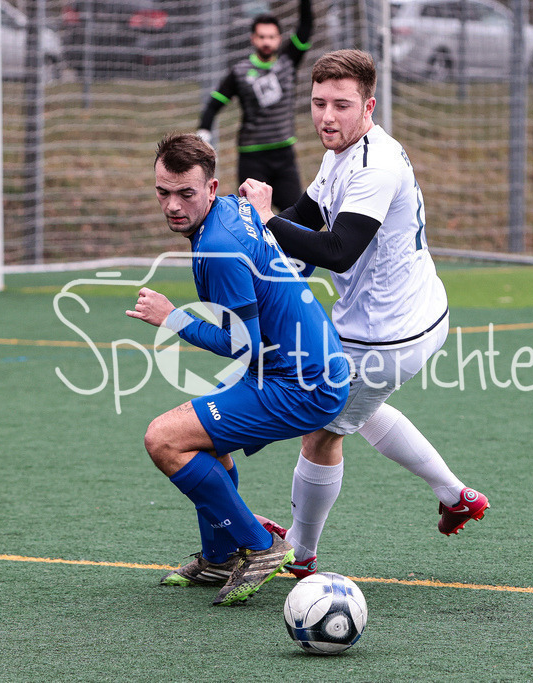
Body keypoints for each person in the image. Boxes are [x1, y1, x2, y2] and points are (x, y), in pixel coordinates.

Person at [239, 49, 489, 578]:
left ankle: (300, 558)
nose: (327, 117)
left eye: (342, 105)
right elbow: (307, 216)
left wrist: (264, 222)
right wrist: (261, 236)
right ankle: (457, 495)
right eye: (318, 103)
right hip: (410, 314)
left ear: (368, 106)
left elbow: (337, 250)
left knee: (322, 432)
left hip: (385, 336)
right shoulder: (343, 150)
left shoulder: (377, 166)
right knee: (358, 409)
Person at [127, 133, 349, 606]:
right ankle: (221, 556)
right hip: (300, 368)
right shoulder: (235, 211)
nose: (172, 205)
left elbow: (241, 344)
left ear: (211, 188)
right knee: (201, 437)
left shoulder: (219, 245)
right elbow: (288, 266)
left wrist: (173, 318)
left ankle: (262, 546)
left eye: (185, 193)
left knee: (163, 438)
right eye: (163, 193)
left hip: (298, 383)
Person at [196, 0, 313, 211]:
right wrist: (204, 133)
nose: (266, 41)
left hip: (284, 154)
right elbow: (214, 104)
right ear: (253, 38)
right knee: (253, 219)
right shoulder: (240, 72)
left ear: (279, 39)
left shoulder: (287, 62)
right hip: (253, 156)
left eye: (271, 37)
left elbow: (305, 28)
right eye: (261, 37)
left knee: (295, 216)